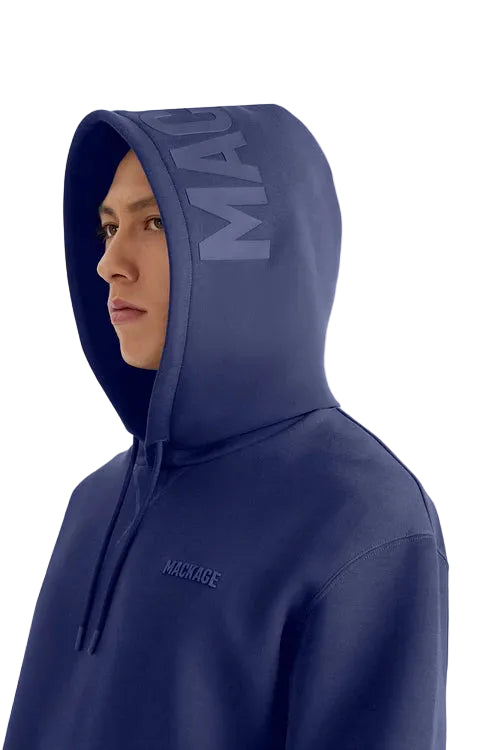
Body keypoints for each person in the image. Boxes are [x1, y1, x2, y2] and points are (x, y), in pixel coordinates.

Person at [2, 104, 449, 750]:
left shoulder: (363, 516)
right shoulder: (95, 502)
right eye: (107, 227)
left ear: (245, 250)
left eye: (154, 222)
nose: (109, 263)